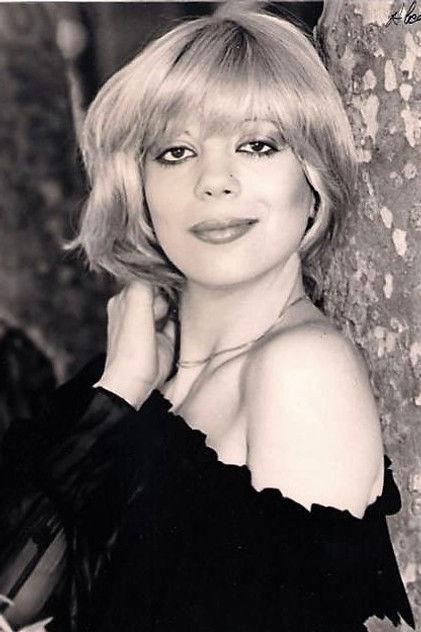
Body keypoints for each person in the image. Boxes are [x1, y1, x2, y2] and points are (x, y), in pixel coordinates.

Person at [0, 4, 415, 632]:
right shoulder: (128, 371)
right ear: (139, 187)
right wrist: (121, 389)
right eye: (176, 152)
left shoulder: (301, 371)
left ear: (314, 178)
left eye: (257, 145)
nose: (214, 181)